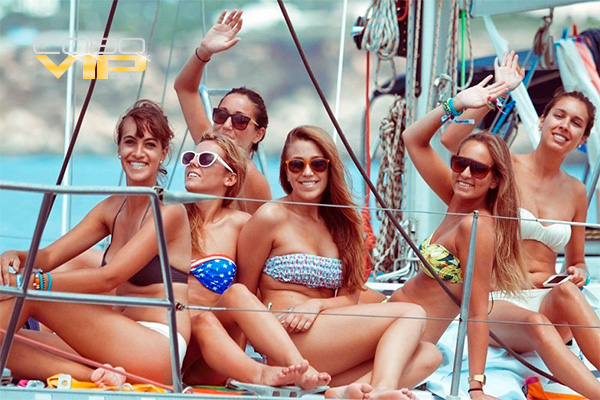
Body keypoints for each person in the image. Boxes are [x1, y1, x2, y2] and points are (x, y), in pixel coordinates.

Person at [238, 125, 442, 400]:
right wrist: (245, 363)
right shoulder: (270, 217)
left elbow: (350, 298)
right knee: (412, 314)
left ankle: (343, 391)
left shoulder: (346, 223)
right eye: (297, 165)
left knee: (429, 354)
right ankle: (381, 390)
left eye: (317, 164)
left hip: (328, 333)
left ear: (329, 168)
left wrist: (317, 305)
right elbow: (244, 295)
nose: (307, 172)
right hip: (286, 336)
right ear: (285, 171)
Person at [440, 51, 600, 398]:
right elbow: (452, 143)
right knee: (536, 322)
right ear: (542, 120)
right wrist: (496, 91)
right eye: (559, 115)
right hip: (499, 300)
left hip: (549, 298)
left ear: (584, 138)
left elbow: (577, 261)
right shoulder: (505, 167)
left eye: (576, 123)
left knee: (569, 291)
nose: (565, 125)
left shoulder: (576, 191)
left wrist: (578, 273)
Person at [0, 100, 191, 386]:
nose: (138, 152)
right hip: (115, 340)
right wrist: (14, 255)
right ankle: (95, 375)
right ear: (119, 149)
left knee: (31, 294)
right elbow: (50, 256)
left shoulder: (170, 212)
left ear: (163, 153)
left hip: (158, 346)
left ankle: (102, 371)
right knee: (10, 341)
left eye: (150, 145)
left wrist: (33, 283)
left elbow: (109, 277)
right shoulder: (111, 208)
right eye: (130, 142)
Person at [388, 76, 530, 400]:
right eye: (460, 163)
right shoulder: (457, 199)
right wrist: (458, 103)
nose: (465, 174)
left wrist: (476, 387)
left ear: (495, 180)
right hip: (391, 320)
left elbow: (477, 310)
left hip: (407, 337)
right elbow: (413, 139)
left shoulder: (477, 226)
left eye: (478, 169)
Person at [180, 132, 330, 390]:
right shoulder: (170, 218)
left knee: (235, 296)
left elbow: (258, 291)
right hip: (176, 342)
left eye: (205, 159)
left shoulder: (243, 225)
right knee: (203, 319)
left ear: (230, 178)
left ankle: (299, 367)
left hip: (213, 356)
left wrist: (317, 303)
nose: (193, 162)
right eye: (189, 157)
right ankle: (265, 373)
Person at [174, 9, 270, 214]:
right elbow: (185, 89)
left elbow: (264, 230)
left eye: (240, 120)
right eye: (221, 115)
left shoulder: (252, 179)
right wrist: (204, 52)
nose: (226, 125)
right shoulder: (208, 146)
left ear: (258, 134)